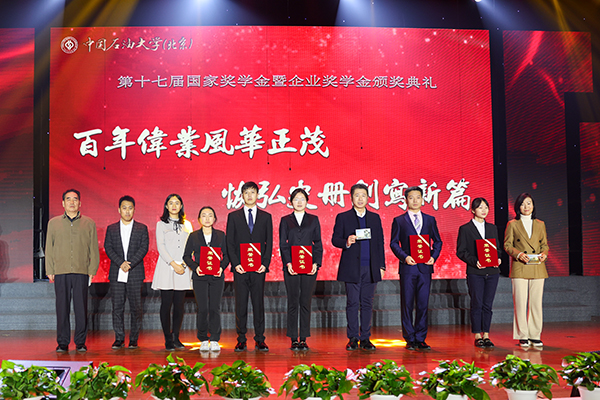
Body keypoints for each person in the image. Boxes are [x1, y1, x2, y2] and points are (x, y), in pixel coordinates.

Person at [332, 183, 385, 351]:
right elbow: (335, 239)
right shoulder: (343, 217)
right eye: (357, 195)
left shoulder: (374, 218)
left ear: (368, 198)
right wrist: (346, 241)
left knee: (367, 303)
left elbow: (379, 242)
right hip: (352, 268)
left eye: (363, 195)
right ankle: (353, 337)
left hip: (371, 267)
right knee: (353, 303)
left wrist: (381, 265)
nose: (360, 198)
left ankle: (366, 338)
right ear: (351, 198)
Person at [45, 189, 99, 353]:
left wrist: (92, 269)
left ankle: (80, 342)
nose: (72, 202)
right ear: (63, 203)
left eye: (75, 199)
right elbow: (49, 247)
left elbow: (93, 249)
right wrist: (50, 268)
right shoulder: (53, 223)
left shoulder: (89, 223)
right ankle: (62, 342)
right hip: (60, 270)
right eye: (68, 199)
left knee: (81, 308)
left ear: (80, 203)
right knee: (62, 307)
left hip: (81, 270)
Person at [390, 186, 442, 351]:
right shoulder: (399, 220)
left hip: (425, 268)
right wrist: (404, 256)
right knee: (407, 304)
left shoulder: (430, 220)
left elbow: (438, 241)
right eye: (411, 197)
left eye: (418, 197)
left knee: (422, 304)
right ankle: (409, 338)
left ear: (422, 199)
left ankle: (420, 338)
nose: (414, 200)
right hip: (408, 268)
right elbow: (393, 243)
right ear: (406, 200)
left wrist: (433, 256)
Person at [226, 181, 273, 352]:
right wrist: (236, 264)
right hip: (241, 269)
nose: (250, 195)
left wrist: (265, 264)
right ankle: (241, 339)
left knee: (258, 304)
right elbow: (230, 243)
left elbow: (269, 243)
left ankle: (260, 339)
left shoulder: (266, 217)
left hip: (258, 268)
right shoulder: (233, 216)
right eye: (246, 192)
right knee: (241, 304)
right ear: (242, 196)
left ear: (258, 195)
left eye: (252, 192)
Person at [279, 188, 323, 351]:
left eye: (302, 199)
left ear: (307, 202)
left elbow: (318, 243)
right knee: (293, 301)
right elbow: (283, 244)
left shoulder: (313, 219)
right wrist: (288, 263)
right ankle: (293, 338)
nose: (299, 202)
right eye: (296, 199)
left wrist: (316, 263)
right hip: (291, 267)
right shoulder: (285, 220)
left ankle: (303, 338)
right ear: (291, 202)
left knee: (305, 301)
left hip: (309, 267)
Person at [504, 192, 549, 348]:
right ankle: (522, 335)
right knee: (520, 302)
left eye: (529, 203)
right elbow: (507, 245)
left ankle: (535, 335)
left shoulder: (540, 224)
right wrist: (519, 254)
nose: (526, 207)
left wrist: (544, 254)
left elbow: (544, 245)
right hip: (520, 266)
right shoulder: (512, 224)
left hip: (537, 266)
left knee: (536, 303)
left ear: (533, 205)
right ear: (518, 207)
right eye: (522, 204)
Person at [104, 195, 149, 350]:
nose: (127, 211)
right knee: (117, 307)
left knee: (136, 307)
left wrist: (129, 264)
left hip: (135, 272)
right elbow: (108, 247)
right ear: (119, 210)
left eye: (130, 208)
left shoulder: (142, 228)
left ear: (134, 210)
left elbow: (144, 248)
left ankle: (134, 339)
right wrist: (120, 263)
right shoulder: (112, 228)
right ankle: (119, 338)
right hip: (117, 272)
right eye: (124, 208)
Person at [456, 197, 502, 348]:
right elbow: (461, 251)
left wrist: (498, 258)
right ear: (473, 210)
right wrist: (475, 261)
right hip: (475, 271)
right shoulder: (465, 229)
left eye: (486, 207)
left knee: (488, 304)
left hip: (492, 271)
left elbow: (497, 248)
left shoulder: (492, 228)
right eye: (480, 207)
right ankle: (477, 335)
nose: (484, 210)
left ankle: (486, 335)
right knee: (477, 303)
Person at [183, 206, 229, 352]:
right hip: (200, 277)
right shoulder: (194, 236)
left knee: (215, 307)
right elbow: (186, 256)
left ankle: (214, 338)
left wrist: (221, 267)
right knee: (202, 308)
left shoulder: (221, 235)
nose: (207, 218)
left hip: (216, 277)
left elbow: (227, 255)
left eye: (210, 215)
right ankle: (203, 338)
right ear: (199, 219)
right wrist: (195, 267)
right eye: (204, 215)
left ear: (214, 219)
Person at [151, 193, 193, 351]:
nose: (174, 206)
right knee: (166, 304)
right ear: (166, 206)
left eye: (177, 203)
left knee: (179, 305)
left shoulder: (187, 225)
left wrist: (183, 264)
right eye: (171, 203)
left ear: (181, 206)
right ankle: (167, 339)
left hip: (183, 268)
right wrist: (173, 264)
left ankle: (176, 337)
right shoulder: (161, 224)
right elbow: (161, 247)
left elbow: (190, 246)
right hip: (167, 267)